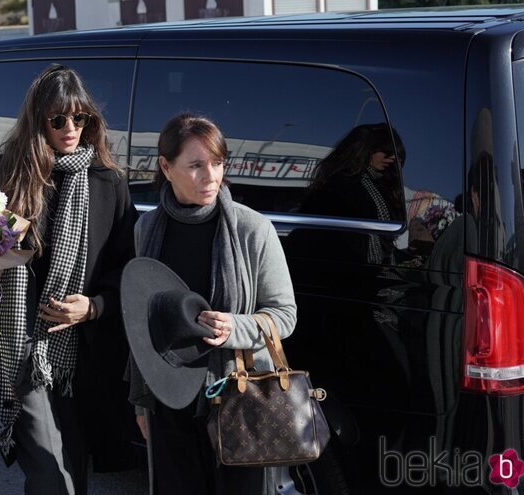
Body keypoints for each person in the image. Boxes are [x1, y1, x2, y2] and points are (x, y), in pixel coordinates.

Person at [0, 64, 138, 495]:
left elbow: (127, 267)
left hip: (79, 357)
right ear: (36, 120)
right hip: (15, 347)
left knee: (72, 471)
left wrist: (94, 306)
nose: (71, 128)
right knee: (51, 474)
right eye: (58, 119)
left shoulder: (107, 182)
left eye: (81, 119)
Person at [129, 113, 297, 495]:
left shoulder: (251, 228)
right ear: (165, 167)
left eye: (218, 163)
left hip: (238, 396)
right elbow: (142, 324)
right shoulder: (147, 229)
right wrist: (142, 405)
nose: (211, 176)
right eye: (196, 165)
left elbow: (284, 314)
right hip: (167, 397)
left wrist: (233, 327)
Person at [299, 123, 407, 265]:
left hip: (369, 270)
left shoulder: (382, 188)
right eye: (386, 151)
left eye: (397, 156)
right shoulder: (341, 184)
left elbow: (385, 243)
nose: (392, 158)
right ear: (366, 149)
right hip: (341, 269)